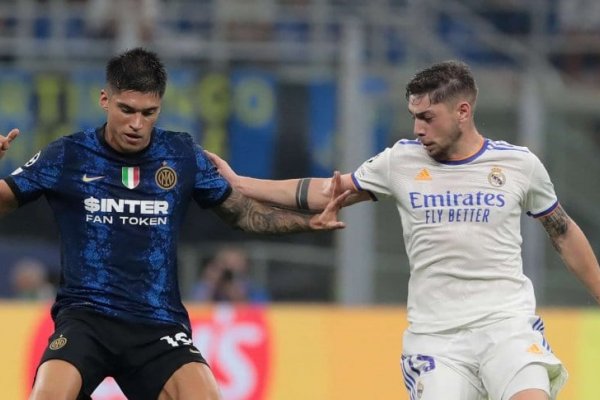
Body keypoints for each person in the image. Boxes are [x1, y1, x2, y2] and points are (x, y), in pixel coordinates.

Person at [206, 60, 600, 400]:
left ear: (463, 111)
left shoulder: (519, 165)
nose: (417, 128)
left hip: (507, 325)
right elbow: (328, 190)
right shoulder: (400, 162)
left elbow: (561, 230)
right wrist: (241, 184)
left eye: (427, 117)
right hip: (436, 338)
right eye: (413, 115)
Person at [0, 47, 349, 400]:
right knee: (47, 395)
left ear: (160, 108)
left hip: (157, 323)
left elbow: (242, 214)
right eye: (127, 110)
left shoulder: (181, 156)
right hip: (86, 317)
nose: (137, 124)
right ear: (105, 100)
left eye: (148, 113)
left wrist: (308, 221)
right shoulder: (67, 155)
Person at [190, 246, 270, 303]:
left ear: (245, 266)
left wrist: (238, 295)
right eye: (226, 263)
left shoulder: (254, 290)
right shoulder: (207, 286)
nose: (231, 268)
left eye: (236, 263)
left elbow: (262, 312)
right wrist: (211, 283)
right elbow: (197, 310)